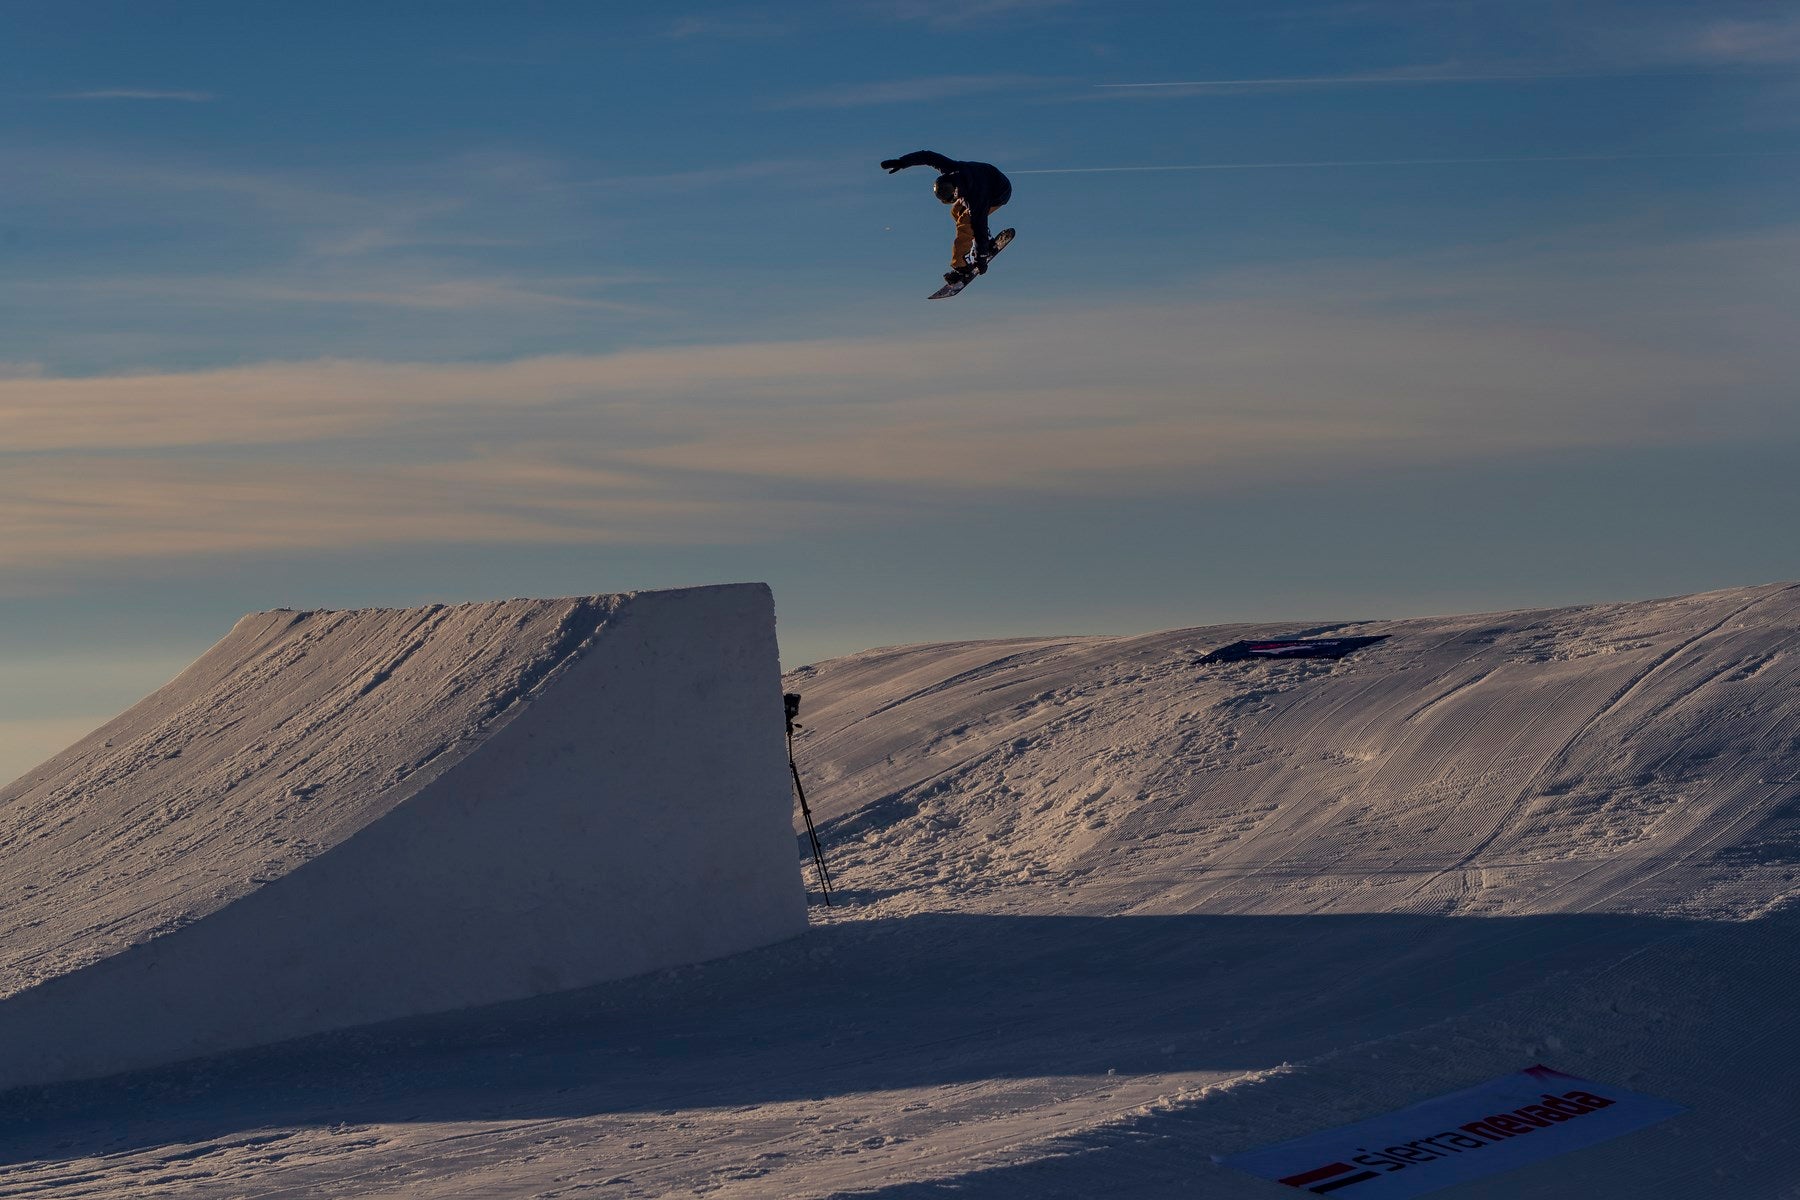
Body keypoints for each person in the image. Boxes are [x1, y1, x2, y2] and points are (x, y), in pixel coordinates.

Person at [880, 151, 1013, 285]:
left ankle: (961, 267)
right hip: (984, 178)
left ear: (955, 193)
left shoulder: (976, 200)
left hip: (998, 193)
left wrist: (981, 259)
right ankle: (984, 244)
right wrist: (903, 162)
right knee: (956, 211)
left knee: (966, 223)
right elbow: (928, 157)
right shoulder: (950, 168)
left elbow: (980, 228)